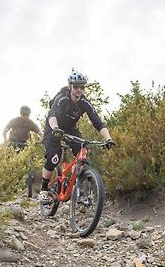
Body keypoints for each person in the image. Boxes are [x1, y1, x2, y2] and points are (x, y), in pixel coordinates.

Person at [39, 71, 115, 204]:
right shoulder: (62, 99)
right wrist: (56, 129)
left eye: (82, 87)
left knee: (82, 153)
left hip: (70, 129)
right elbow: (52, 115)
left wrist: (108, 139)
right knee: (53, 157)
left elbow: (97, 122)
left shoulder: (85, 103)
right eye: (76, 87)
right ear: (70, 86)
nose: (79, 90)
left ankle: (76, 186)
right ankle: (44, 189)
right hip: (53, 127)